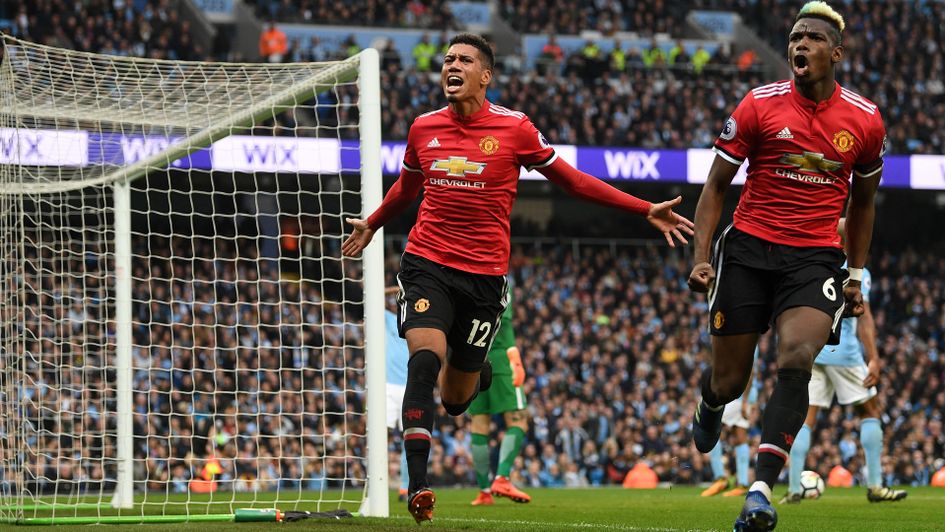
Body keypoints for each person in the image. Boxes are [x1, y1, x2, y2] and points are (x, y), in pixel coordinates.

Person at [342, 33, 693, 524]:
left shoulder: (515, 129)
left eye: (464, 59)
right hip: (427, 264)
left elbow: (571, 180)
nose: (452, 65)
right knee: (423, 362)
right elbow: (408, 186)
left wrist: (643, 208)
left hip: (484, 278)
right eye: (447, 59)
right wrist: (374, 222)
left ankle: (476, 370)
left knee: (457, 398)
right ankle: (418, 486)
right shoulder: (424, 128)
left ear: (485, 75)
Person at [686, 3, 885, 531]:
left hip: (815, 255)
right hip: (749, 250)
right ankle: (710, 404)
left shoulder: (864, 120)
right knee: (730, 382)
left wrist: (855, 275)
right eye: (795, 37)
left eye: (812, 38)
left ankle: (759, 491)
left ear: (835, 53)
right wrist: (702, 257)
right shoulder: (758, 105)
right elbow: (714, 186)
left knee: (796, 356)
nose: (799, 45)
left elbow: (862, 206)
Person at [782, 221, 906, 504]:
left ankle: (793, 488)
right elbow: (865, 320)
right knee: (870, 410)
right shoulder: (856, 273)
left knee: (805, 419)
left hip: (813, 351)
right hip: (845, 353)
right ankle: (875, 486)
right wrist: (873, 358)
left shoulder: (814, 266)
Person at [468, 286, 530, 506]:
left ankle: (484, 491)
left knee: (479, 424)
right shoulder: (497, 278)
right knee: (519, 418)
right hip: (500, 359)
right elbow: (504, 325)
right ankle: (502, 479)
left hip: (471, 358)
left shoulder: (462, 278)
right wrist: (515, 358)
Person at [702, 348, 760, 498]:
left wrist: (745, 401)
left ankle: (720, 477)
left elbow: (750, 369)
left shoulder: (744, 335)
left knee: (710, 425)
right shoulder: (747, 335)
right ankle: (742, 483)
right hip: (742, 392)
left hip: (738, 393)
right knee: (740, 436)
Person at [383, 287, 411, 502]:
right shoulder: (387, 319)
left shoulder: (418, 323)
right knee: (378, 435)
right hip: (387, 386)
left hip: (410, 386)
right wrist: (398, 286)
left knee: (408, 439)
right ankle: (377, 483)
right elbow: (370, 296)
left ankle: (404, 487)